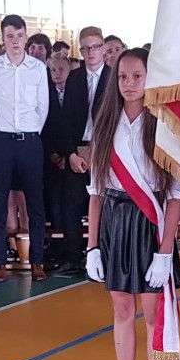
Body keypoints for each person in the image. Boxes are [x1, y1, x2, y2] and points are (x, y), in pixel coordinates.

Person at [85, 49, 180, 360]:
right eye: (123, 77)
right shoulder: (105, 124)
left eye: (137, 76)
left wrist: (165, 251)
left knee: (154, 313)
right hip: (115, 222)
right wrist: (93, 246)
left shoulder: (164, 126)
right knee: (122, 309)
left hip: (150, 224)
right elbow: (96, 192)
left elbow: (174, 198)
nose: (129, 84)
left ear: (149, 78)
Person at [0, 14, 50, 282]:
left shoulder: (38, 68)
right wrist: (3, 128)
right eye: (10, 36)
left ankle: (37, 261)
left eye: (20, 36)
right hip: (1, 141)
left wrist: (29, 131)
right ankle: (0, 261)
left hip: (30, 141)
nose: (15, 41)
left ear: (26, 37)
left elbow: (42, 107)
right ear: (3, 38)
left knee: (35, 203)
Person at [63, 26, 112, 273]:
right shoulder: (74, 78)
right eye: (86, 48)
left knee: (104, 206)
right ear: (80, 51)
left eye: (95, 47)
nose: (91, 52)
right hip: (78, 150)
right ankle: (73, 258)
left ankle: (105, 257)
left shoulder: (114, 77)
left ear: (103, 48)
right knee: (71, 206)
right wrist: (70, 153)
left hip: (105, 151)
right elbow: (66, 119)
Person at [41, 53, 78, 268]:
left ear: (70, 71)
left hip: (72, 156)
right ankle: (56, 247)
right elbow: (43, 126)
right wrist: (52, 153)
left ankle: (73, 248)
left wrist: (67, 154)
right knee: (54, 202)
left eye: (61, 69)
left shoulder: (76, 93)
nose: (56, 73)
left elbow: (74, 126)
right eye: (52, 70)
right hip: (50, 158)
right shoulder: (45, 93)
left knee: (70, 205)